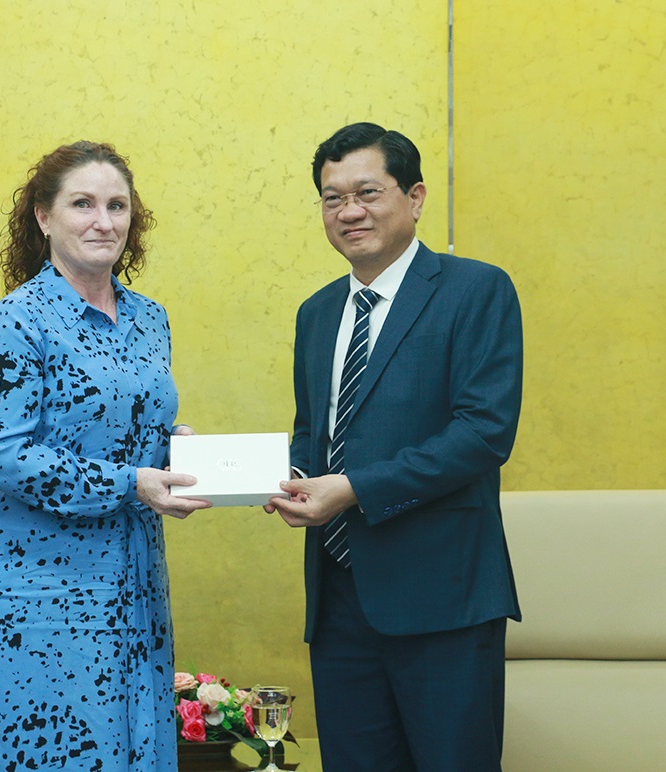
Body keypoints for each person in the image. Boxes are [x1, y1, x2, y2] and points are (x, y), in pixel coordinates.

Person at [267, 122, 523, 771]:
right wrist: (294, 478)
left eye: (367, 192)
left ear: (414, 198)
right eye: (332, 198)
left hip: (442, 599)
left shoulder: (476, 290)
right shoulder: (316, 313)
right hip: (339, 602)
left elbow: (483, 432)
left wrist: (352, 488)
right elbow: (314, 430)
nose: (349, 212)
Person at [0, 140, 209, 771]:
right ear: (44, 217)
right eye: (83, 203)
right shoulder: (18, 320)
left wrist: (177, 449)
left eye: (118, 205)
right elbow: (4, 456)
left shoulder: (150, 319)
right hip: (40, 588)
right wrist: (133, 482)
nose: (104, 220)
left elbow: (126, 423)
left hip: (133, 574)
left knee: (134, 743)